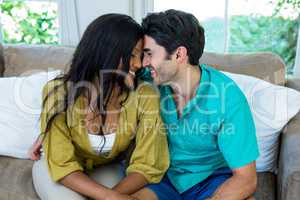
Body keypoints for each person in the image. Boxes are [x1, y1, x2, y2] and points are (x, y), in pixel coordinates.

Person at [28, 13, 169, 200]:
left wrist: (108, 196)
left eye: (142, 56)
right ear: (105, 51)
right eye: (133, 55)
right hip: (59, 171)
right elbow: (62, 164)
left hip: (106, 167)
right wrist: (111, 198)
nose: (139, 64)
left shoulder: (144, 95)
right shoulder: (58, 93)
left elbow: (148, 164)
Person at [132, 9, 259, 200]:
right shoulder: (149, 77)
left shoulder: (228, 98)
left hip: (212, 180)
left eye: (149, 54)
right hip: (163, 178)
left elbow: (246, 179)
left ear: (179, 54)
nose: (143, 62)